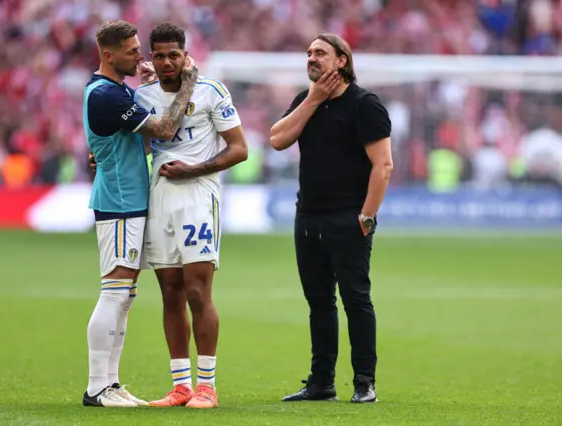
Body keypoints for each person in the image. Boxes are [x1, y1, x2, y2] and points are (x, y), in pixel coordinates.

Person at [269, 33, 393, 404]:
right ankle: (321, 382)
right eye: (308, 53)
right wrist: (314, 99)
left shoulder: (364, 105)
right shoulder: (306, 101)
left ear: (341, 60)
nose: (311, 58)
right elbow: (277, 140)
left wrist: (367, 217)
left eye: (320, 53)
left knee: (356, 300)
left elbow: (383, 165)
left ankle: (364, 383)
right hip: (307, 217)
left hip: (347, 219)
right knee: (319, 302)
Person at [82, 19, 198, 408]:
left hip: (129, 200)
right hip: (118, 202)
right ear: (108, 54)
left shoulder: (113, 90)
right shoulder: (106, 95)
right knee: (114, 292)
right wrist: (187, 83)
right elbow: (164, 129)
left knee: (125, 294)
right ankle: (97, 387)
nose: (140, 56)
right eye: (133, 51)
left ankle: (111, 384)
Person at [134, 22, 248, 409]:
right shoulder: (143, 95)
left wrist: (193, 169)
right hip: (159, 197)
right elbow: (139, 145)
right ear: (151, 57)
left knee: (198, 292)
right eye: (159, 55)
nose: (167, 62)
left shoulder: (212, 91)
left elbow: (239, 149)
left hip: (199, 196)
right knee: (170, 293)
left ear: (186, 55)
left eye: (173, 55)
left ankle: (207, 386)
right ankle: (181, 385)